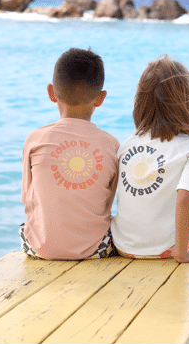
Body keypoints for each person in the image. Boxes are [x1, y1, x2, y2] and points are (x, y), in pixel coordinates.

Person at [111, 54, 189, 264]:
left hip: (122, 246)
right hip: (165, 250)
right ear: (186, 102)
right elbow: (185, 199)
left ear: (140, 101)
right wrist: (182, 254)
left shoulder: (126, 145)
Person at [20, 48, 120, 260]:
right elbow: (107, 203)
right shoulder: (112, 145)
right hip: (96, 249)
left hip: (39, 248)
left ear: (51, 92)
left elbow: (27, 198)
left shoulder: (35, 139)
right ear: (100, 98)